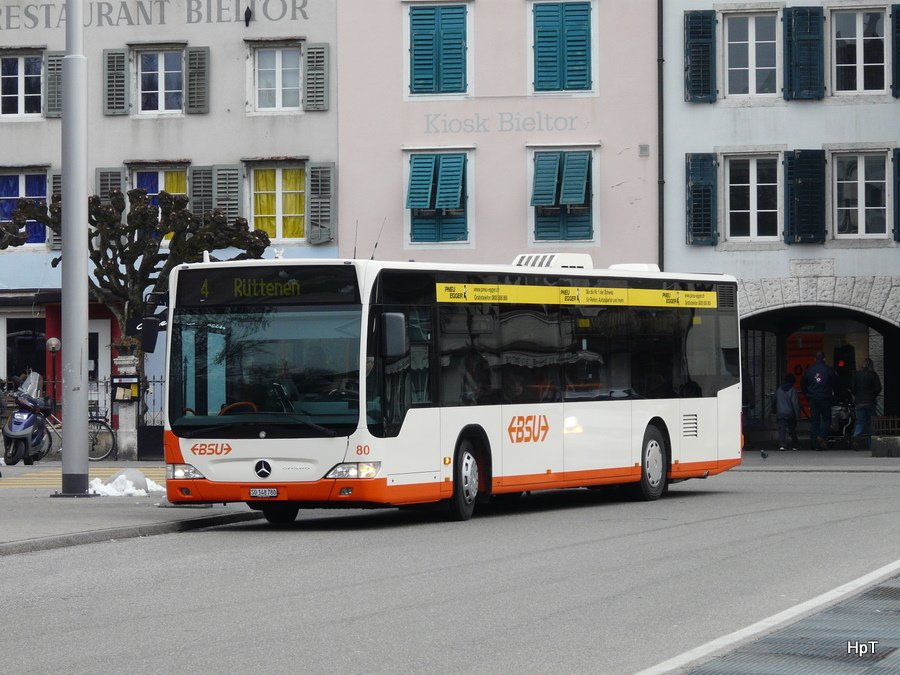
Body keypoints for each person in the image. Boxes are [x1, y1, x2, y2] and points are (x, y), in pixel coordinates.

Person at [802, 351, 836, 451]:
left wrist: (807, 395)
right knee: (827, 419)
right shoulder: (828, 369)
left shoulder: (809, 370)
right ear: (824, 359)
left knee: (815, 421)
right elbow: (835, 382)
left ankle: (815, 445)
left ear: (815, 359)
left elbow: (803, 383)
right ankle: (821, 436)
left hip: (813, 398)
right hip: (825, 398)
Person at [765, 373, 800, 458]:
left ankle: (782, 445)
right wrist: (797, 414)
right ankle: (795, 445)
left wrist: (774, 410)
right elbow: (795, 403)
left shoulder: (779, 389)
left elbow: (774, 400)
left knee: (782, 429)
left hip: (780, 412)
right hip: (790, 413)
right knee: (792, 429)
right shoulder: (792, 390)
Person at [850, 358, 882, 449]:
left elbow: (852, 387)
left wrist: (857, 395)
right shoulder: (873, 375)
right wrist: (873, 394)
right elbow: (878, 388)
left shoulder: (856, 375)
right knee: (871, 422)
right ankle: (872, 444)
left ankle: (856, 436)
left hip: (859, 401)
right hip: (870, 401)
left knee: (860, 421)